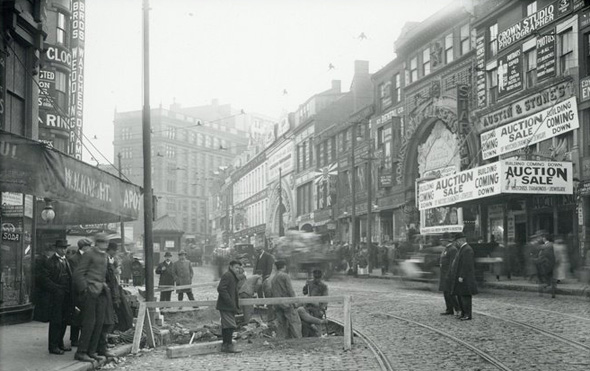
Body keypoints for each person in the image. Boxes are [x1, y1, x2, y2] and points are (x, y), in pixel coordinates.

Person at [73, 233, 114, 363]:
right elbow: (78, 274)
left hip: (101, 292)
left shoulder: (104, 255)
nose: (106, 244)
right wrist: (85, 289)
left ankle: (92, 351)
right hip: (91, 292)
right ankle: (81, 352)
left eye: (107, 242)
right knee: (89, 323)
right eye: (103, 242)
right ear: (98, 242)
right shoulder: (89, 254)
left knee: (99, 323)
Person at [41, 240, 74, 354]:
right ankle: (53, 346)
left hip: (66, 295)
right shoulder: (50, 262)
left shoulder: (66, 261)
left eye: (65, 248)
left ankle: (60, 343)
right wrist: (57, 289)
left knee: (64, 320)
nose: (64, 250)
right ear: (56, 248)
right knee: (56, 321)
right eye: (61, 248)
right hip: (55, 296)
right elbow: (44, 280)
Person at [67, 238, 93, 347]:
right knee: (77, 316)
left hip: (87, 290)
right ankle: (74, 339)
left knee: (86, 316)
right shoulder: (74, 259)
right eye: (88, 246)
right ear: (84, 247)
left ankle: (83, 338)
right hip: (77, 291)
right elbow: (75, 276)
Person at [216, 260, 243, 353]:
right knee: (230, 325)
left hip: (229, 305)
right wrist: (229, 301)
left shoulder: (232, 276)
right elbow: (220, 288)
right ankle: (228, 346)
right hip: (226, 305)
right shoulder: (228, 275)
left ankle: (226, 345)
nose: (238, 270)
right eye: (236, 267)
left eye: (239, 268)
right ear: (231, 266)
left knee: (227, 325)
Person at [270, 260, 302, 339]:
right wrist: (295, 302)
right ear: (284, 266)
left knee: (281, 324)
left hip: (277, 303)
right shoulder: (285, 276)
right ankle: (298, 340)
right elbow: (290, 290)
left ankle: (281, 340)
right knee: (294, 322)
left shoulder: (273, 278)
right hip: (287, 303)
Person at [450, 232, 478, 321]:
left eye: (457, 241)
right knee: (460, 295)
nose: (456, 243)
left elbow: (467, 265)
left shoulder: (467, 250)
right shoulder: (462, 249)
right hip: (460, 278)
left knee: (465, 296)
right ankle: (463, 313)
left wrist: (462, 275)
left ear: (461, 240)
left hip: (465, 278)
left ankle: (467, 314)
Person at [301, 269, 328, 337]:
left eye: (318, 278)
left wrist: (322, 308)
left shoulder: (323, 286)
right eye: (315, 278)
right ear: (313, 276)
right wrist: (305, 286)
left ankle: (318, 334)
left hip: (318, 307)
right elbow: (304, 293)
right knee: (307, 320)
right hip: (309, 305)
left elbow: (325, 298)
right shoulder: (309, 283)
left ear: (321, 277)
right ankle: (309, 334)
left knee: (317, 320)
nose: (317, 280)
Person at [438, 233, 459, 316]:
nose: (441, 242)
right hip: (443, 274)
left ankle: (457, 308)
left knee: (451, 293)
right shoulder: (446, 249)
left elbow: (452, 263)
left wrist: (449, 274)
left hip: (448, 274)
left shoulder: (452, 249)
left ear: (446, 241)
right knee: (446, 293)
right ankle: (449, 309)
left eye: (442, 240)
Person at [533, 230, 556, 298]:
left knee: (543, 279)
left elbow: (542, 255)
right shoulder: (550, 245)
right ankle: (551, 292)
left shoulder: (547, 246)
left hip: (545, 265)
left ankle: (543, 290)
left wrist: (535, 260)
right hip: (550, 264)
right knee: (551, 279)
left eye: (543, 237)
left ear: (545, 238)